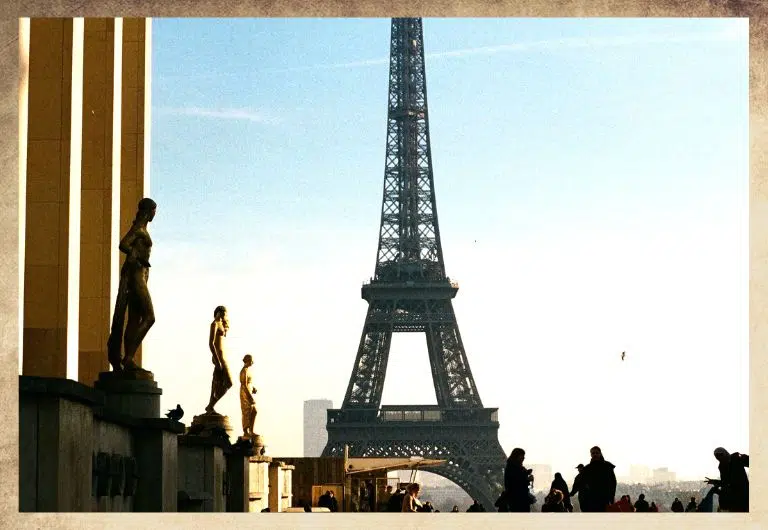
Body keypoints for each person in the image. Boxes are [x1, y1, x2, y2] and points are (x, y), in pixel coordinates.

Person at [107, 198, 157, 372]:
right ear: (147, 211)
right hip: (136, 275)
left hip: (142, 274)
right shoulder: (139, 229)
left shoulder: (142, 229)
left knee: (134, 319)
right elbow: (124, 244)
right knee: (150, 317)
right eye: (153, 211)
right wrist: (137, 256)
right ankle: (128, 356)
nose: (154, 214)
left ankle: (129, 359)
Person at [206, 306, 233, 413]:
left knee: (217, 382)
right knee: (228, 382)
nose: (222, 315)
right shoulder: (215, 324)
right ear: (216, 313)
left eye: (224, 313)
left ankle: (210, 406)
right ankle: (211, 405)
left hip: (223, 357)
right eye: (220, 313)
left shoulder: (222, 324)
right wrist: (217, 360)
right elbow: (211, 343)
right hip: (219, 357)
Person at [710, 447, 749, 512]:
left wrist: (746, 457)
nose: (719, 457)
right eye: (716, 455)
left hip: (743, 494)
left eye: (720, 454)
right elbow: (725, 482)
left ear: (725, 453)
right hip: (733, 498)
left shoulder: (736, 458)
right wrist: (715, 482)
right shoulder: (722, 466)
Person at [580, 446, 617, 512]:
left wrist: (611, 498)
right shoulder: (587, 469)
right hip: (591, 501)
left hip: (605, 500)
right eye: (593, 453)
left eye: (597, 453)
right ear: (591, 455)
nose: (595, 455)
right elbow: (583, 486)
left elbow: (613, 483)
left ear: (600, 454)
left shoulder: (607, 466)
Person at [504, 448, 534, 512]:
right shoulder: (513, 467)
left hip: (517, 498)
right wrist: (527, 479)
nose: (524, 458)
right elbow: (515, 482)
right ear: (517, 456)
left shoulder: (512, 466)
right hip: (518, 499)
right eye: (522, 455)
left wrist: (526, 473)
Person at [239, 354, 258, 438]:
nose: (252, 362)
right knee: (247, 411)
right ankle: (246, 431)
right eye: (251, 360)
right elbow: (244, 385)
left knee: (254, 411)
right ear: (248, 361)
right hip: (245, 394)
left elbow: (249, 383)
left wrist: (253, 388)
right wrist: (250, 396)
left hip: (248, 392)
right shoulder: (244, 371)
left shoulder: (248, 370)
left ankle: (251, 430)